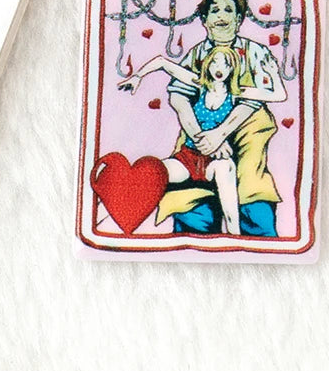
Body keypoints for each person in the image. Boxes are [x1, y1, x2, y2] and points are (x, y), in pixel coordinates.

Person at [161, 0, 287, 236]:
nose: (221, 16)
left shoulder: (255, 52)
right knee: (192, 197)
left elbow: (252, 101)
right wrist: (202, 138)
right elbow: (179, 97)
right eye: (214, 10)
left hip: (247, 131)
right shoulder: (197, 54)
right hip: (200, 132)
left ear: (239, 20)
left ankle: (248, 233)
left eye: (228, 10)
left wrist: (220, 135)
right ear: (205, 20)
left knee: (250, 186)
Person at [119, 45, 285, 234]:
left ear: (233, 68)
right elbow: (162, 62)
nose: (220, 68)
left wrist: (274, 73)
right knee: (150, 173)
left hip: (216, 160)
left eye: (226, 64)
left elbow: (279, 96)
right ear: (208, 65)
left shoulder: (237, 92)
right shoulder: (199, 84)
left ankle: (234, 235)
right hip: (188, 157)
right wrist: (138, 76)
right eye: (215, 62)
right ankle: (121, 223)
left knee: (226, 174)